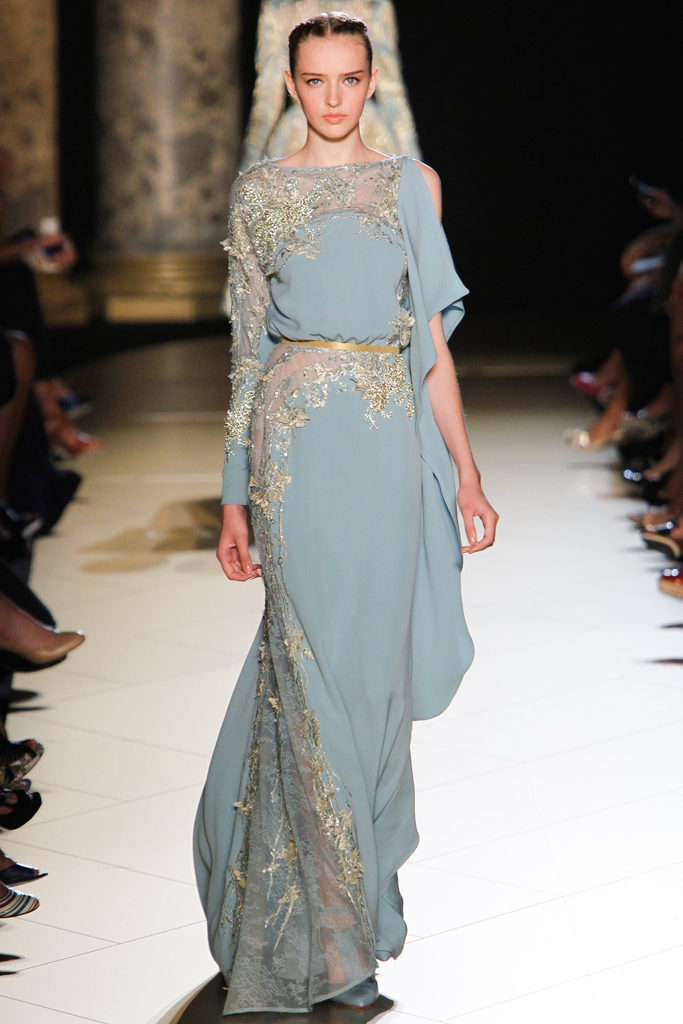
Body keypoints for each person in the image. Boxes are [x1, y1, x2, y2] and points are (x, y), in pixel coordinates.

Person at [194, 14, 498, 1014]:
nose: (332, 97)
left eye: (349, 79)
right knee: (306, 675)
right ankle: (329, 944)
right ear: (289, 83)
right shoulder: (259, 191)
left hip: (385, 456)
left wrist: (465, 473)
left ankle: (347, 908)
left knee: (371, 691)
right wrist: (233, 496)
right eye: (315, 80)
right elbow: (245, 356)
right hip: (294, 457)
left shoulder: (413, 185)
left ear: (372, 82)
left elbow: (431, 349)